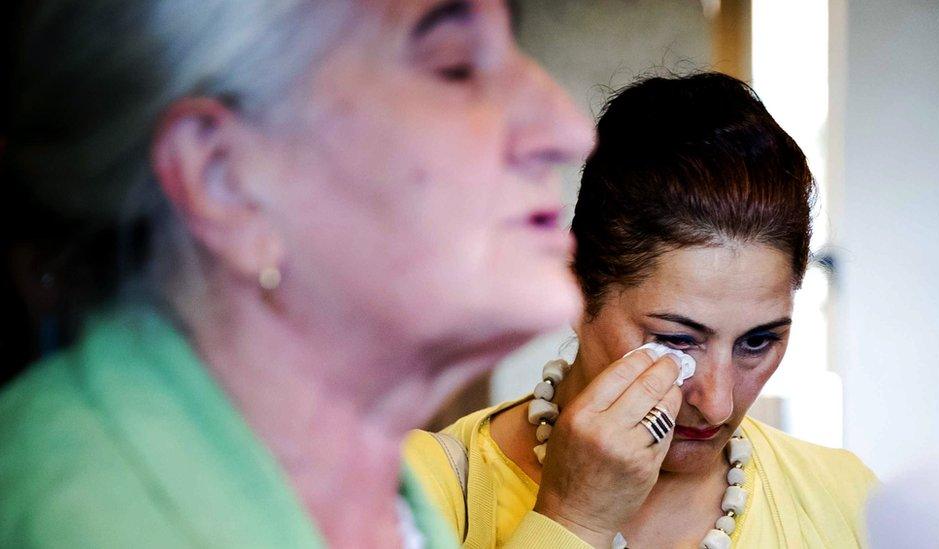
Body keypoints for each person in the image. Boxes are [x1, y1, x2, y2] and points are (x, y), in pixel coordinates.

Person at [0, 1, 593, 547]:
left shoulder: (386, 507)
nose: (569, 130)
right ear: (224, 177)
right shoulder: (85, 518)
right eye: (455, 67)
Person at [405, 73, 877, 548]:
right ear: (576, 289)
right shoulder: (417, 496)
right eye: (677, 340)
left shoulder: (848, 500)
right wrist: (573, 520)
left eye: (757, 342)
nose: (717, 403)